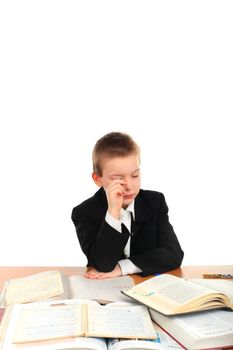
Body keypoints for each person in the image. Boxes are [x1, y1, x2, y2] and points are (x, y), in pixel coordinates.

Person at [71, 132, 184, 279]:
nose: (129, 186)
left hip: (147, 285)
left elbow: (174, 254)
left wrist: (122, 267)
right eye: (118, 179)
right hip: (105, 289)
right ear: (98, 179)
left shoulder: (155, 202)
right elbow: (103, 265)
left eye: (135, 175)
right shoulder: (84, 212)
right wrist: (113, 212)